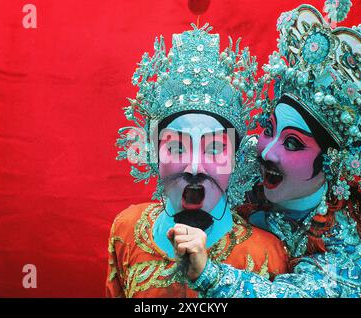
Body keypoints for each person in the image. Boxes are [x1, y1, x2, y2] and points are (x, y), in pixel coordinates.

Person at [172, 4, 361, 298]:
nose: (267, 150)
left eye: (293, 142)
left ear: (333, 163)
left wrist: (208, 275)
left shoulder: (340, 242)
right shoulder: (244, 165)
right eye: (269, 129)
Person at [106, 24, 289, 298]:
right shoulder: (127, 229)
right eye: (177, 148)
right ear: (154, 156)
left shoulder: (266, 254)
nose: (194, 167)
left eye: (214, 149)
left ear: (238, 160)